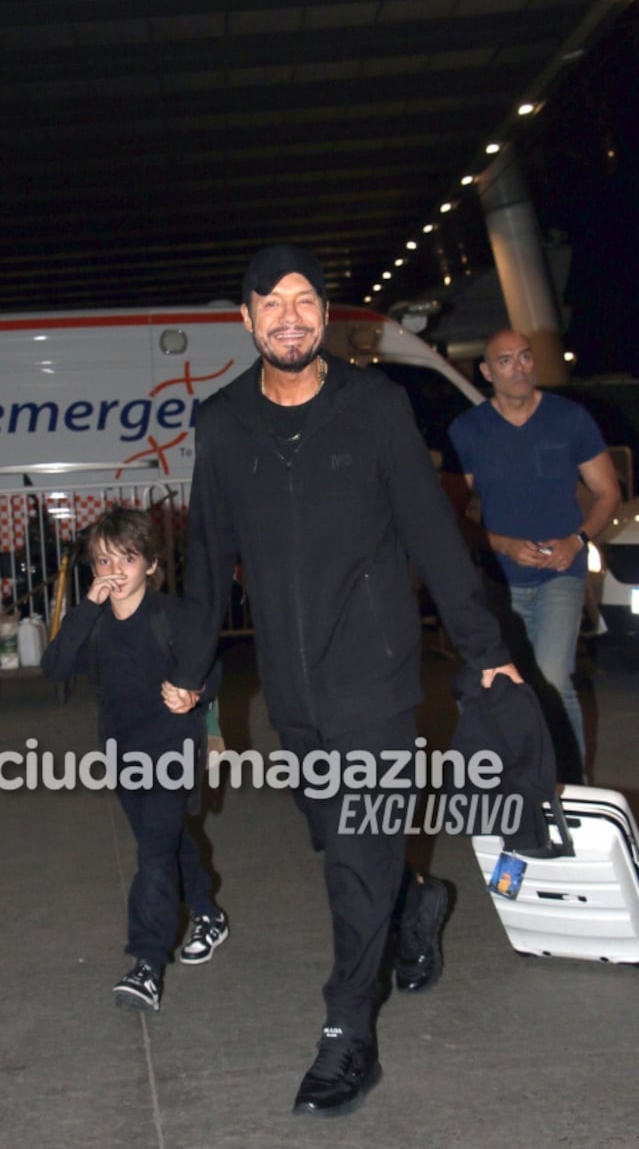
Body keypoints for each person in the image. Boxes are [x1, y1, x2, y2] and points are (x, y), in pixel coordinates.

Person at [161, 244, 520, 1117]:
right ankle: (418, 897)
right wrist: (187, 665)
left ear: (326, 317)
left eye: (305, 300)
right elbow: (208, 552)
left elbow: (434, 536)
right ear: (246, 321)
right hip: (292, 686)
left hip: (374, 673)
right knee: (338, 838)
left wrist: (482, 646)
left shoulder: (376, 409)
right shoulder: (222, 421)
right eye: (271, 302)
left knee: (353, 861)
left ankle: (345, 1033)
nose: (290, 314)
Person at [41, 505, 227, 1014]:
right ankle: (207, 912)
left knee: (151, 857)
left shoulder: (171, 615)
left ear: (150, 563)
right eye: (103, 561)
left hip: (173, 750)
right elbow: (55, 667)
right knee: (163, 842)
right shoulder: (95, 623)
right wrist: (84, 609)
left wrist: (193, 694)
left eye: (127, 558)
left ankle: (146, 964)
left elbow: (211, 666)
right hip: (124, 754)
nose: (115, 571)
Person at [443, 329, 621, 784]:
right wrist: (499, 543)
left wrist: (576, 541)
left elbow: (607, 493)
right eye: (506, 361)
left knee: (552, 679)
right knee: (510, 688)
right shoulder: (467, 431)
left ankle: (571, 791)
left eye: (525, 357)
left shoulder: (570, 420)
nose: (519, 367)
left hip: (561, 574)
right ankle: (524, 788)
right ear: (486, 372)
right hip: (501, 581)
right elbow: (449, 517)